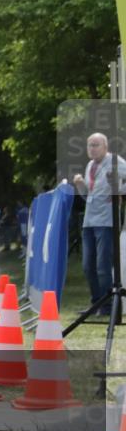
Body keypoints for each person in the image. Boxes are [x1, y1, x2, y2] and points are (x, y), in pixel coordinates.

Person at [73, 133, 126, 316]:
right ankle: (96, 303)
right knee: (88, 265)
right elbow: (88, 196)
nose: (92, 148)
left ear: (105, 146)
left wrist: (119, 189)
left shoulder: (115, 161)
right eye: (89, 145)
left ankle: (109, 306)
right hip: (89, 222)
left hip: (106, 221)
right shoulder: (90, 165)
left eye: (95, 145)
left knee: (103, 267)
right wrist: (80, 185)